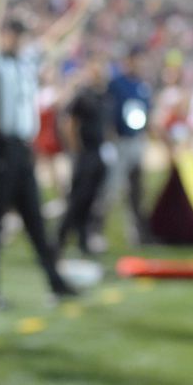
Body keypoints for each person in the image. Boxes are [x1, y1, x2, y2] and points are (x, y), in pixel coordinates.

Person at [0, 0, 93, 307]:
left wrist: (81, 8)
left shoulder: (27, 63)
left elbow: (57, 38)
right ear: (5, 35)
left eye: (21, 34)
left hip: (23, 150)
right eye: (13, 33)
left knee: (35, 221)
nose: (18, 39)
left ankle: (54, 281)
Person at [56, 58, 111, 258]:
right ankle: (59, 239)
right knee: (77, 199)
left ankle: (82, 241)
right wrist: (76, 150)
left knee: (90, 200)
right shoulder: (82, 95)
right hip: (85, 153)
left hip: (98, 152)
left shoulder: (103, 95)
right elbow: (68, 122)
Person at [100, 46, 154, 245]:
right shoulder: (115, 84)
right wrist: (109, 140)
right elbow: (107, 113)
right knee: (110, 189)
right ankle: (96, 231)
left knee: (137, 190)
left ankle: (137, 235)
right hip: (120, 141)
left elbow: (148, 112)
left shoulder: (143, 86)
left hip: (137, 140)